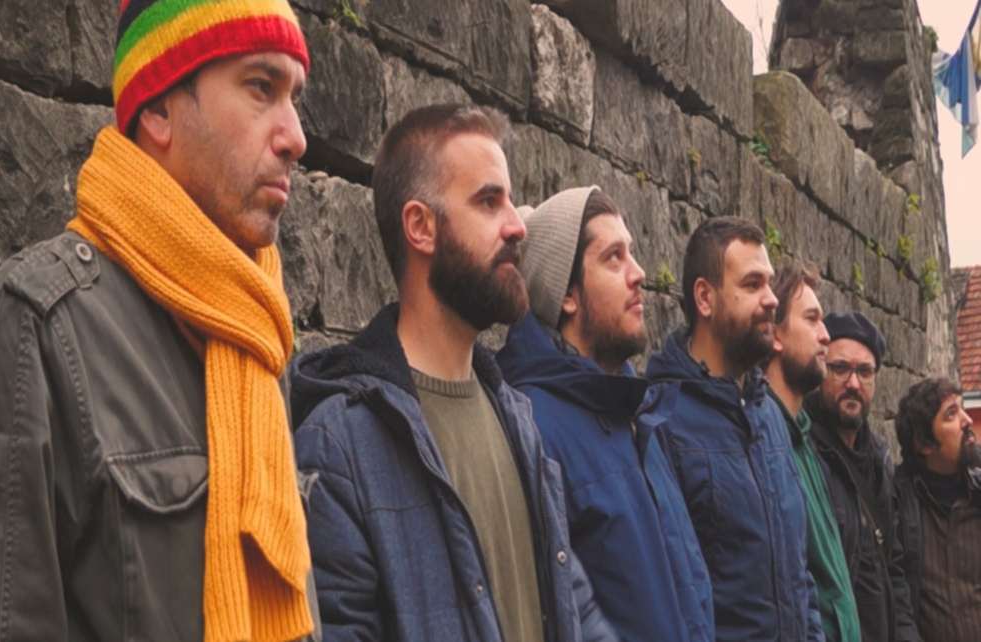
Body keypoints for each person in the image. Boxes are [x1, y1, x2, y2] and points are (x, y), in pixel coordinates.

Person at [0, 1, 317, 640]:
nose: (296, 137)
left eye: (294, 97)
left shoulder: (256, 332)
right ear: (159, 108)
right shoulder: (39, 323)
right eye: (260, 87)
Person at [290, 104, 615, 642]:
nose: (517, 225)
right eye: (489, 201)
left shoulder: (515, 417)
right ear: (421, 226)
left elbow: (572, 603)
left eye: (509, 200)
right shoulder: (339, 446)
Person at [496, 187, 714, 642]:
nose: (639, 274)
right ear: (568, 294)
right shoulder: (533, 427)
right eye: (614, 258)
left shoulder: (637, 414)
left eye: (631, 252)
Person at [642, 216, 824, 642]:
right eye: (752, 284)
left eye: (769, 283)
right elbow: (674, 592)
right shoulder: (662, 421)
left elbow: (800, 574)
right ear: (705, 298)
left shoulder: (770, 417)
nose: (771, 299)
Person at [804, 312, 920, 642]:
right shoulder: (803, 452)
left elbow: (893, 568)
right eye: (840, 368)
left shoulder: (879, 460)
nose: (853, 383)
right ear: (820, 368)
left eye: (865, 372)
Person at [764, 263, 861, 642]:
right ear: (775, 334)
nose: (825, 335)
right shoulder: (766, 441)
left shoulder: (804, 439)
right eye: (811, 319)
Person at [894, 377, 981, 642]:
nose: (967, 420)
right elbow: (897, 602)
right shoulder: (897, 504)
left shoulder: (977, 497)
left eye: (962, 408)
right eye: (951, 414)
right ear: (924, 443)